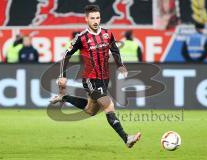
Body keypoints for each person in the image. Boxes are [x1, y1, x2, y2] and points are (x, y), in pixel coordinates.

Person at [50, 5, 141, 148]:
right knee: (108, 105)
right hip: (90, 79)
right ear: (86, 19)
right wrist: (62, 75)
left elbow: (115, 50)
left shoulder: (107, 34)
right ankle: (126, 138)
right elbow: (66, 55)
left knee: (90, 110)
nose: (95, 21)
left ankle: (64, 97)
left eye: (97, 18)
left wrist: (120, 65)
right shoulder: (81, 38)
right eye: (92, 18)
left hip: (105, 78)